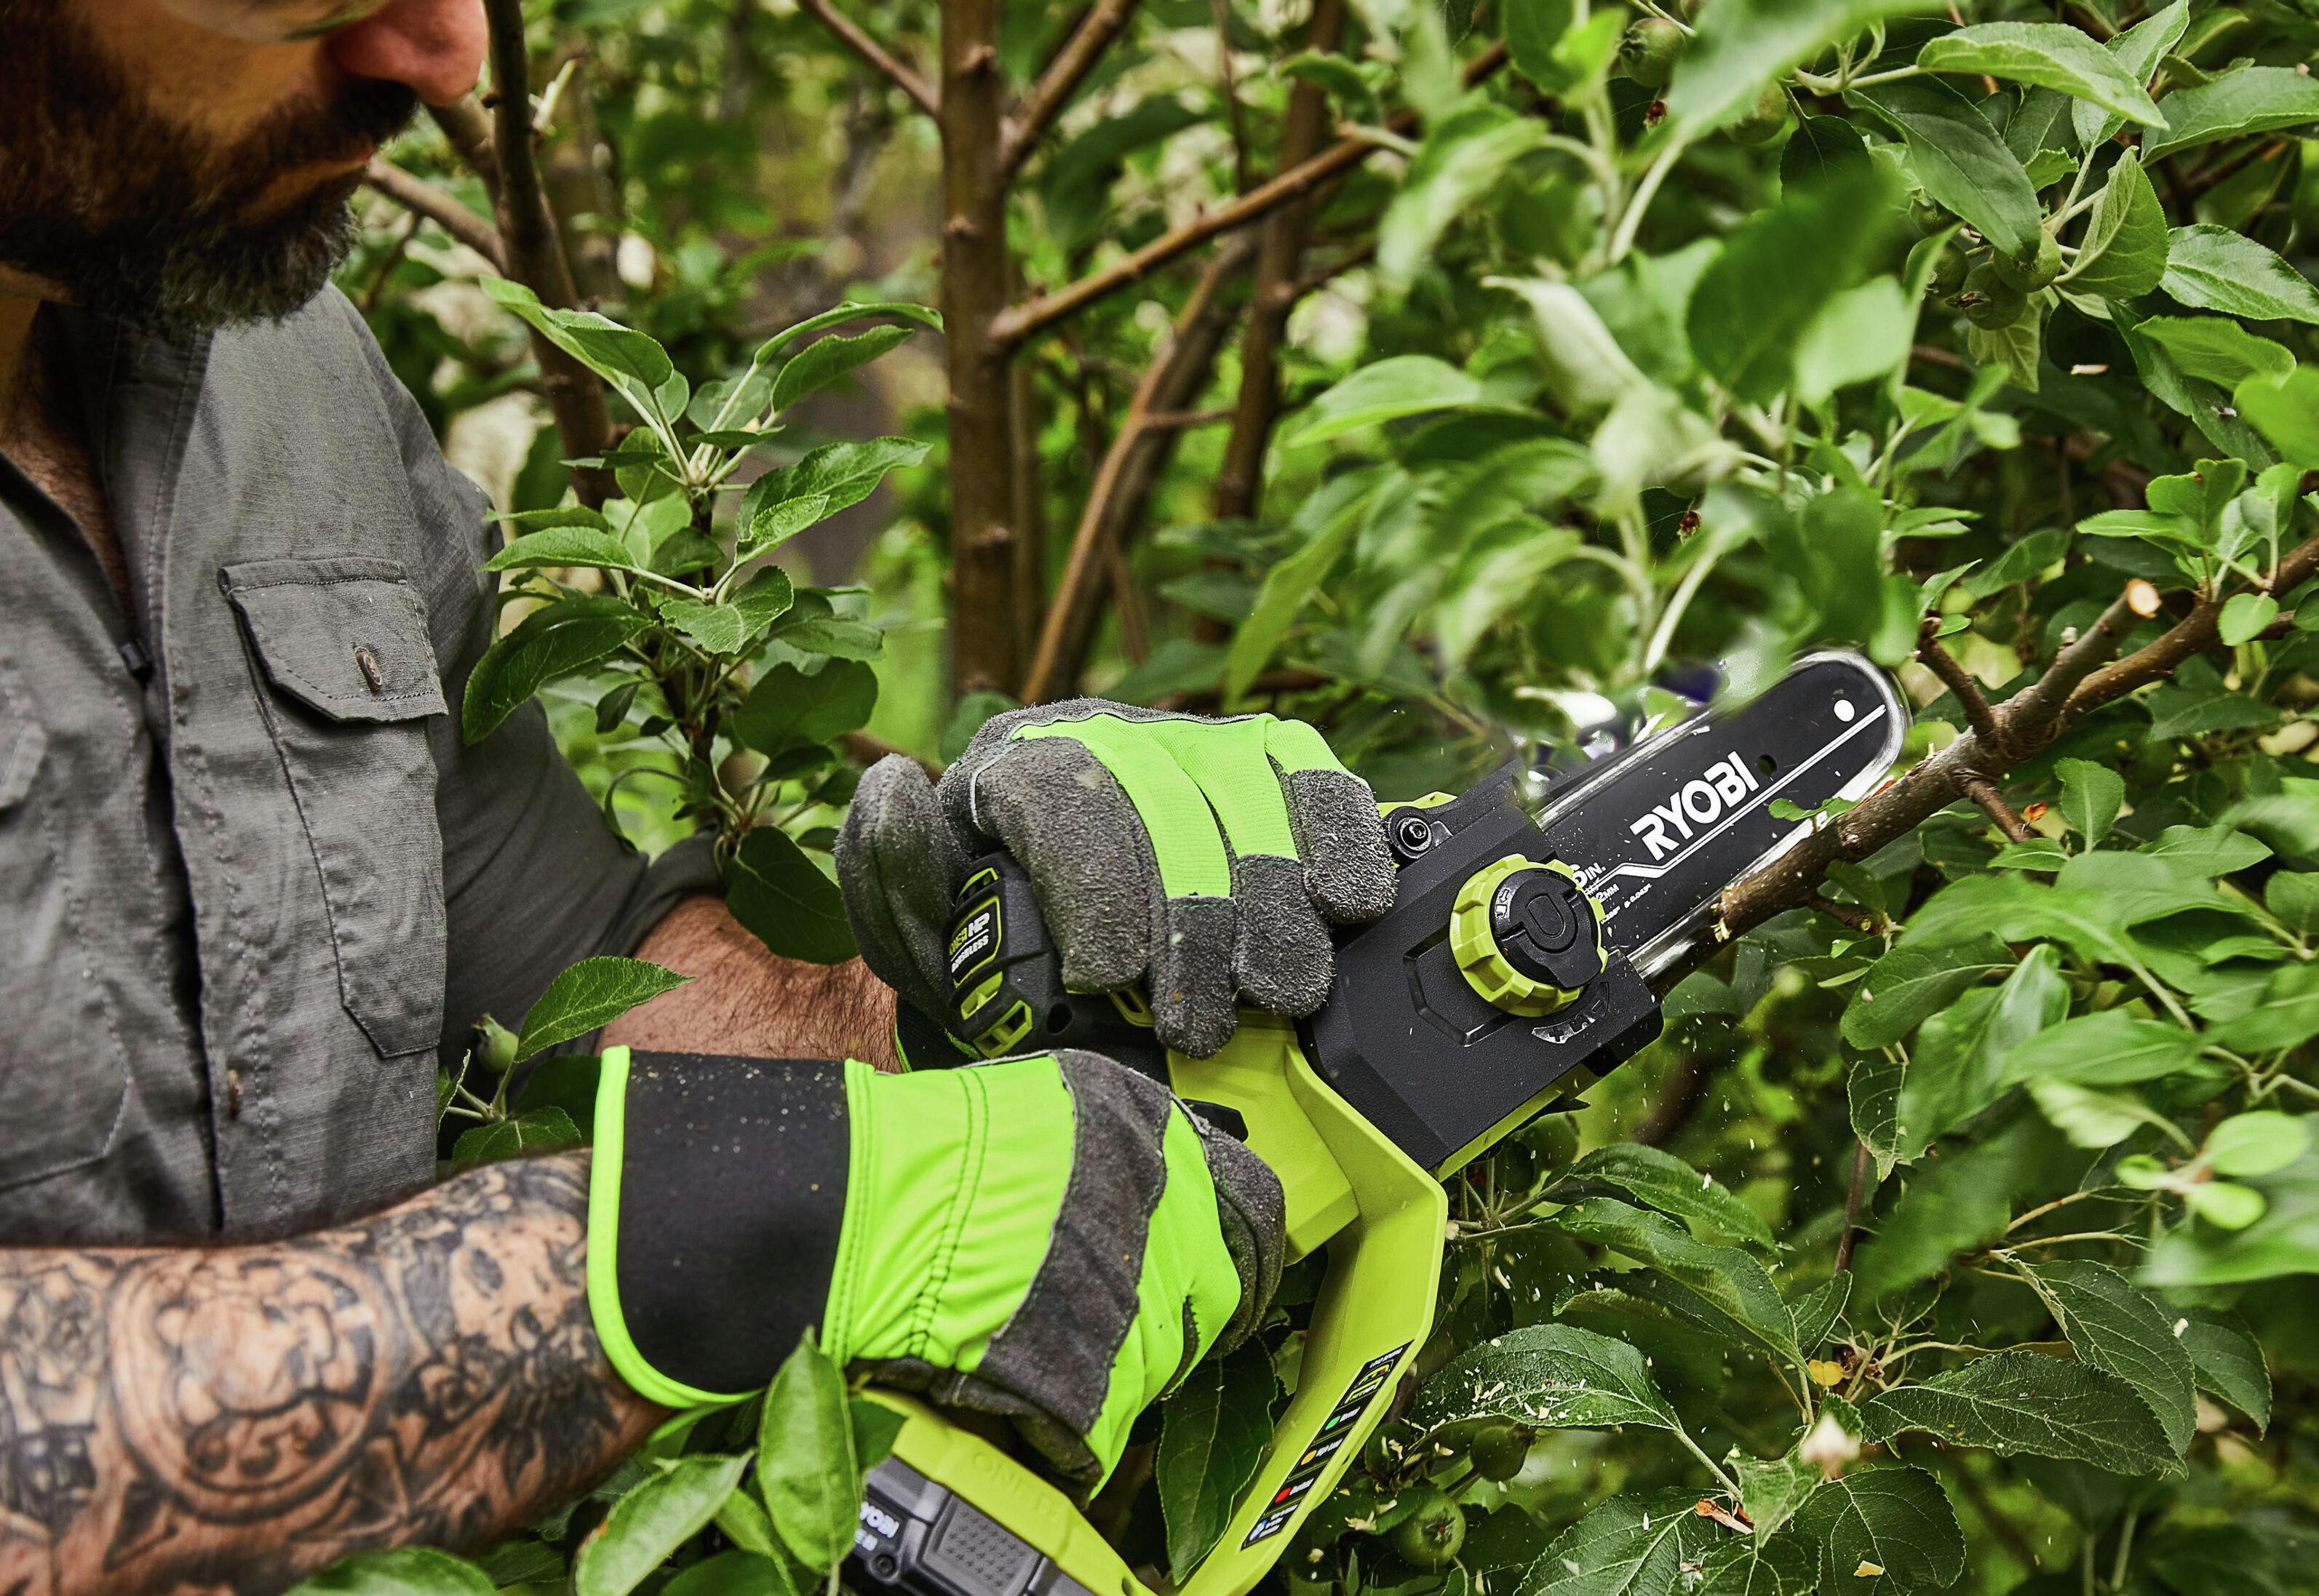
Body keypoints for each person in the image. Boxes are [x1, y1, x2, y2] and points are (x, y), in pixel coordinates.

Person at [0, 1, 1393, 1589]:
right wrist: (706, 1241)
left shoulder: (272, 362)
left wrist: (970, 1008)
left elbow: (568, 947)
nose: (447, 51)